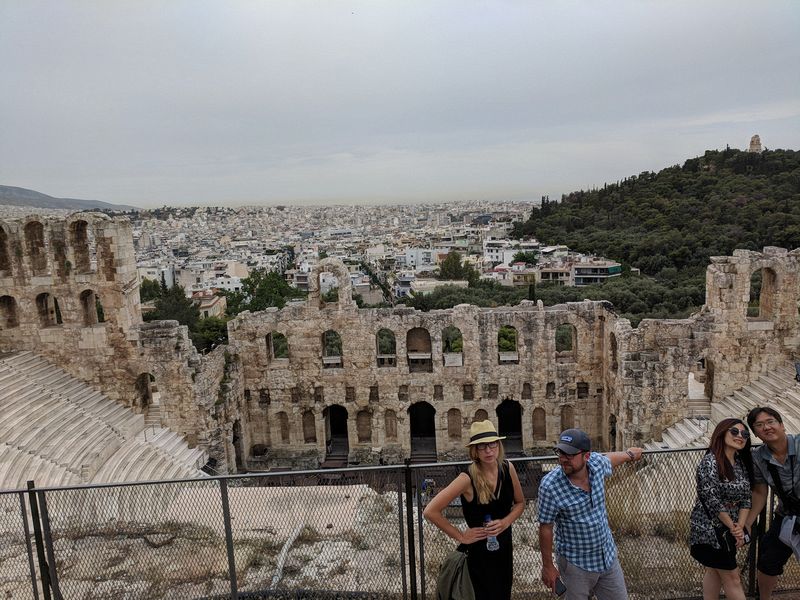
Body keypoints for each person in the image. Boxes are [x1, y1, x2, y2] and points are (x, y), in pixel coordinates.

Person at [423, 420, 525, 600]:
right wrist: (461, 536)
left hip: (503, 550)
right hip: (479, 554)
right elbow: (430, 510)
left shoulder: (508, 468)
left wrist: (505, 522)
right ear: (474, 450)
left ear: (498, 445)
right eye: (482, 446)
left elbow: (520, 503)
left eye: (492, 444)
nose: (488, 450)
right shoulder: (467, 477)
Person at [537, 428, 643, 600]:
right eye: (560, 452)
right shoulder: (550, 486)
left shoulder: (596, 464)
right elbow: (546, 527)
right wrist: (548, 566)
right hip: (576, 565)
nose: (562, 459)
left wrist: (629, 454)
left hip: (606, 557)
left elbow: (609, 460)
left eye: (569, 455)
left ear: (586, 456)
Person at [688, 418, 753, 600]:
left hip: (729, 529)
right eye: (734, 432)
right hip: (709, 530)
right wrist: (734, 529)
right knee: (733, 578)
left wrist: (740, 526)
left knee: (714, 571)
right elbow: (712, 500)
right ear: (721, 432)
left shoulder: (740, 463)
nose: (740, 436)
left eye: (744, 434)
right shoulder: (710, 463)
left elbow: (746, 498)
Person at [744, 406, 800, 599]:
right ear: (756, 434)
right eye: (759, 425)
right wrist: (748, 523)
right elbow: (760, 492)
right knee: (768, 559)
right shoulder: (758, 457)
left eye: (770, 422)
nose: (766, 427)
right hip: (787, 515)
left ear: (782, 425)